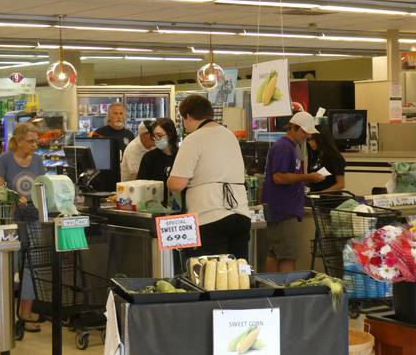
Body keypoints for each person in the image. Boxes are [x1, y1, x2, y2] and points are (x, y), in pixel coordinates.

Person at [167, 95, 250, 259]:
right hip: (241, 214)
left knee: (210, 277)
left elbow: (177, 183)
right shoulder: (230, 135)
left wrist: (169, 181)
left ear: (188, 116)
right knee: (237, 275)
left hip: (209, 217)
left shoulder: (193, 139)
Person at [0, 122, 46, 331]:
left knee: (32, 265)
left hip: (33, 217)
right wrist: (14, 197)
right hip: (11, 219)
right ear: (19, 141)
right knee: (11, 265)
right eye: (31, 141)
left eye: (37, 141)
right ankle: (7, 314)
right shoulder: (5, 159)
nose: (35, 145)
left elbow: (42, 185)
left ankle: (25, 312)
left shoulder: (39, 160)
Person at [262, 112, 325, 273]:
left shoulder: (291, 147)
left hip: (283, 207)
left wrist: (304, 179)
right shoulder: (284, 147)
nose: (307, 136)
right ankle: (286, 290)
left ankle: (272, 286)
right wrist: (307, 176)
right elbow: (279, 177)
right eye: (304, 132)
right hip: (282, 209)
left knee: (276, 251)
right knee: (287, 254)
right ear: (294, 128)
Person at [138, 118, 179, 206]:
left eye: (159, 136)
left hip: (178, 207)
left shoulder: (181, 156)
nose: (156, 139)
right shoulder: (149, 157)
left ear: (170, 135)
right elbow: (141, 184)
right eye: (154, 136)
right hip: (155, 206)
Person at [308, 125, 346, 193]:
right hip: (313, 196)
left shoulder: (334, 157)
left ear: (320, 139)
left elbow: (341, 184)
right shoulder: (315, 155)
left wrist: (321, 194)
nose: (309, 142)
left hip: (328, 198)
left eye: (312, 139)